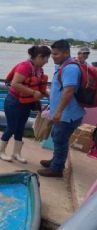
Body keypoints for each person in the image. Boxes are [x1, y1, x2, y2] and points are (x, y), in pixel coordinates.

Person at [37, 40, 86, 177]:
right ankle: (55, 161)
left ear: (66, 53)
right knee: (56, 136)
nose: (53, 56)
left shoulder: (70, 68)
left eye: (56, 54)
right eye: (52, 53)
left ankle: (57, 169)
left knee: (60, 139)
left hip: (67, 114)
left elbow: (68, 92)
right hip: (63, 113)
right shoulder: (63, 65)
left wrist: (58, 112)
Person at [0, 45, 51, 163]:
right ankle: (0, 151)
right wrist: (33, 92)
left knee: (20, 127)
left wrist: (48, 94)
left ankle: (16, 153)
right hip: (13, 102)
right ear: (39, 57)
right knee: (12, 127)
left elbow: (39, 86)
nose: (47, 62)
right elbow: (15, 84)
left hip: (26, 103)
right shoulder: (24, 67)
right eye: (46, 59)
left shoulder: (39, 70)